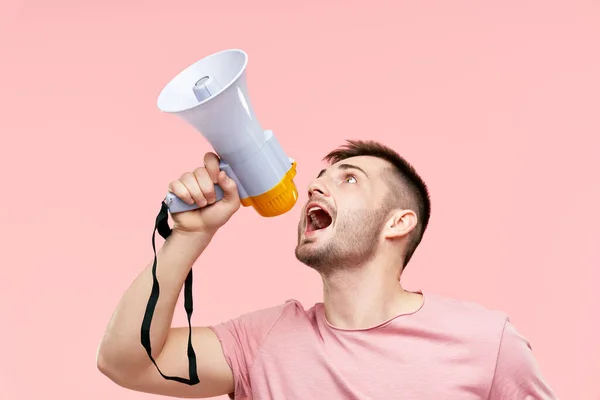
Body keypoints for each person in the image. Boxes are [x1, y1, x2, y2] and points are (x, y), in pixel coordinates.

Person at [97, 140, 557, 399]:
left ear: (399, 222)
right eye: (320, 178)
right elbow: (125, 362)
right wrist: (191, 236)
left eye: (349, 178)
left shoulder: (484, 341)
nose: (315, 187)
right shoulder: (263, 340)